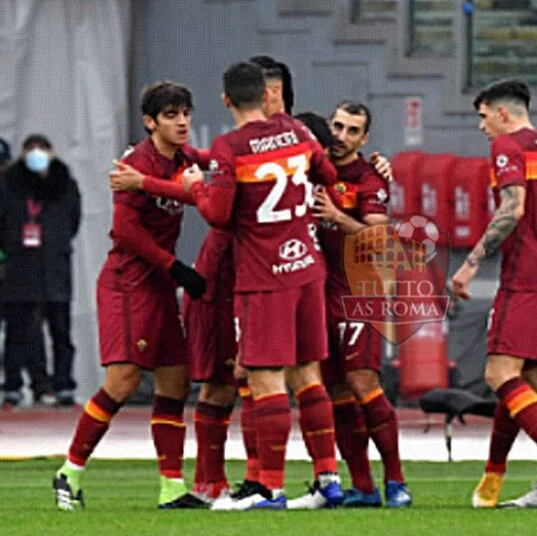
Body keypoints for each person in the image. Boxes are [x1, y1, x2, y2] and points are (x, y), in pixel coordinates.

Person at [184, 61, 342, 511]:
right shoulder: (295, 131)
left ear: (227, 100)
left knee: (266, 377)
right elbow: (328, 176)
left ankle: (268, 488)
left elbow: (219, 214)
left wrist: (198, 186)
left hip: (264, 274)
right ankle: (327, 478)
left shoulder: (230, 146)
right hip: (308, 267)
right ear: (266, 95)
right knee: (309, 374)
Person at [53, 82, 208, 511]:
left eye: (186, 113)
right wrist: (175, 267)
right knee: (121, 382)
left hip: (158, 283)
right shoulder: (135, 165)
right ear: (150, 121)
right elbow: (124, 232)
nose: (182, 122)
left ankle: (172, 488)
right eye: (172, 114)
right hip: (129, 283)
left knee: (175, 381)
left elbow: (215, 166)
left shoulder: (183, 158)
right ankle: (69, 471)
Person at [450, 79, 537, 509]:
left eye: (482, 116)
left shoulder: (509, 147)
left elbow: (512, 208)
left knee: (498, 374)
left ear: (502, 113)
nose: (482, 127)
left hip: (526, 278)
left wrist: (471, 262)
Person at [301, 102, 411, 508]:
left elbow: (378, 239)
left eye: (352, 130)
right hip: (315, 294)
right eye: (338, 126)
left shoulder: (369, 178)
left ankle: (396, 481)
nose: (342, 136)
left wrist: (335, 215)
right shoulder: (313, 169)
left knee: (364, 385)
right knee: (335, 392)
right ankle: (363, 487)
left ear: (365, 139)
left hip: (356, 294)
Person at [0, 135, 80, 409]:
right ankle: (13, 386)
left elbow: (73, 222)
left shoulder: (65, 184)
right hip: (20, 269)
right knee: (18, 333)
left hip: (55, 268)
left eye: (42, 149)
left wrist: (55, 244)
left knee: (61, 333)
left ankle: (63, 384)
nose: (37, 154)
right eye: (31, 149)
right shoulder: (10, 185)